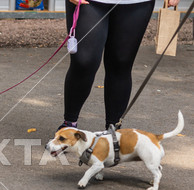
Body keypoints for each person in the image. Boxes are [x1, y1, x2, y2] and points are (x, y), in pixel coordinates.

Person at [59, 0, 180, 131]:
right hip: (90, 2)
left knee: (121, 63)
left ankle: (113, 130)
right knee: (84, 61)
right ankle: (69, 124)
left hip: (137, 3)